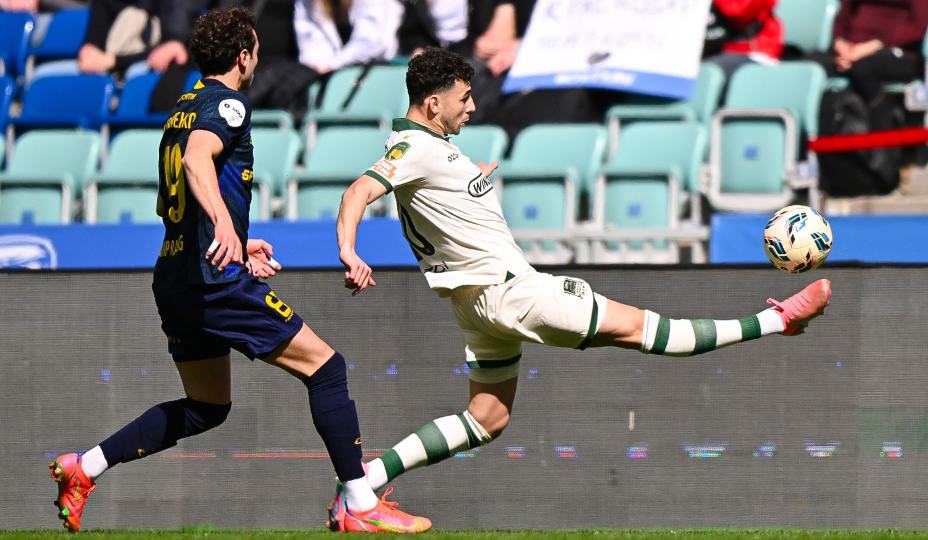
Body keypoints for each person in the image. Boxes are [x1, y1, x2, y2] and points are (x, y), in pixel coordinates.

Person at [333, 47, 832, 526]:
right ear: (433, 103)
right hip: (513, 293)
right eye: (464, 98)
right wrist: (350, 251)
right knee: (650, 330)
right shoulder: (414, 148)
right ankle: (778, 320)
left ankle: (362, 486)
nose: (473, 107)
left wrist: (472, 184)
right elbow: (359, 190)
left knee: (486, 418)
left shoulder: (435, 149)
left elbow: (438, 199)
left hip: (476, 305)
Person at [47, 7, 430, 534]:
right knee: (327, 369)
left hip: (176, 273)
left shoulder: (182, 108)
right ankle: (359, 503)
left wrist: (236, 240)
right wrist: (227, 229)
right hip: (215, 281)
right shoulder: (228, 104)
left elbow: (175, 199)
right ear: (244, 56)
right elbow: (196, 162)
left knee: (207, 406)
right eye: (256, 51)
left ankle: (84, 467)